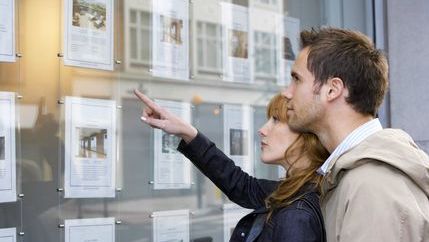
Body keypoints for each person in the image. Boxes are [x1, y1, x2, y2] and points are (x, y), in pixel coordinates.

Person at [282, 27, 429, 241]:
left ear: (332, 90)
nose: (287, 92)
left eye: (297, 79)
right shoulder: (357, 176)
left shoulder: (371, 187)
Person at [135, 90, 329, 242]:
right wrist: (187, 132)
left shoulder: (297, 213)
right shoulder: (295, 190)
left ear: (306, 135)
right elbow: (240, 185)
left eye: (276, 120)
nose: (262, 130)